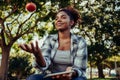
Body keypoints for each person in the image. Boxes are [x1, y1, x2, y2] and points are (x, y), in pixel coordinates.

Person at [19, 6, 88, 80]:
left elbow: (80, 68)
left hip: (72, 78)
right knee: (33, 78)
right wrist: (38, 55)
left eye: (63, 17)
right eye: (56, 18)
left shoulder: (80, 41)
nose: (58, 20)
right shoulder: (49, 39)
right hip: (51, 77)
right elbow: (44, 65)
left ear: (71, 22)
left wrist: (72, 73)